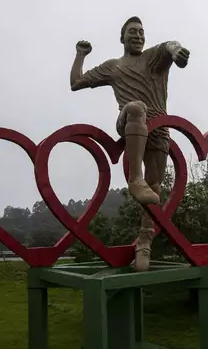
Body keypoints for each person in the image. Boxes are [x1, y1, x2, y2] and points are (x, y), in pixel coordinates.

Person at [69, 16, 190, 271]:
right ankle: (136, 179)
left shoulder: (153, 58)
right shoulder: (114, 66)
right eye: (132, 32)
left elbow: (169, 45)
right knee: (136, 107)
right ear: (122, 38)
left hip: (159, 129)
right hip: (129, 119)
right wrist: (80, 54)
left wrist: (177, 50)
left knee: (155, 189)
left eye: (141, 32)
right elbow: (76, 83)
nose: (137, 36)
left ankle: (144, 243)